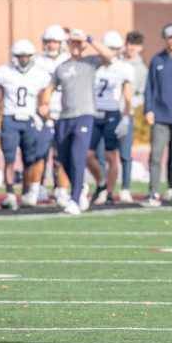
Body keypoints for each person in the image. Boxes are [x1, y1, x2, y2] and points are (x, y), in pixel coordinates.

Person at [39, 29, 114, 215]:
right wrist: (44, 103)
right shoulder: (62, 66)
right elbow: (49, 87)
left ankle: (74, 199)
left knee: (77, 156)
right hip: (65, 117)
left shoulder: (90, 62)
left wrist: (89, 38)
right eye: (73, 42)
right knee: (63, 158)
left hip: (84, 115)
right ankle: (79, 189)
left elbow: (109, 55)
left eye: (79, 43)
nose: (76, 46)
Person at [0, 39, 51, 210]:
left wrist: (45, 113)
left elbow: (45, 98)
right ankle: (10, 194)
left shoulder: (40, 75)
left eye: (26, 57)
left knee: (30, 159)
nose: (23, 60)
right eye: (20, 57)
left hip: (30, 120)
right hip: (10, 118)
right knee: (9, 159)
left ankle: (27, 192)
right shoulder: (4, 72)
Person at [142, 23, 172, 207]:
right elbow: (149, 87)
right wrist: (149, 109)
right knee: (155, 156)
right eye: (169, 37)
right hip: (160, 117)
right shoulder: (157, 60)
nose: (171, 41)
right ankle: (153, 193)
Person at [87, 31, 133, 205]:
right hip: (93, 113)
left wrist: (126, 118)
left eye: (115, 49)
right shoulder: (94, 65)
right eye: (109, 48)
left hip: (112, 113)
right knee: (87, 155)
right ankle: (101, 182)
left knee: (111, 155)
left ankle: (109, 192)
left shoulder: (123, 68)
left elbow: (127, 96)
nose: (112, 52)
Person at [34, 24, 71, 207]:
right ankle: (38, 187)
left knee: (62, 155)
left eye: (55, 42)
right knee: (40, 154)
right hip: (42, 114)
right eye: (48, 42)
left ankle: (61, 189)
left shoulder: (68, 61)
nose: (51, 45)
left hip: (63, 113)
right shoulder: (38, 62)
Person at [117, 31, 147, 203]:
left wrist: (128, 103)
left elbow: (141, 94)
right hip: (108, 111)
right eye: (129, 43)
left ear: (140, 47)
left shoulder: (142, 70)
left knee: (125, 154)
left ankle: (125, 189)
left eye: (135, 44)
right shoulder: (115, 62)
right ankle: (104, 186)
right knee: (102, 153)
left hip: (126, 114)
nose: (131, 48)